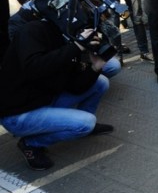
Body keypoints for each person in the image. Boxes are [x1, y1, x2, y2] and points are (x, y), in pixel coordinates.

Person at [0, 9, 114, 170]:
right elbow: (34, 68)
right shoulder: (32, 30)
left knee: (100, 82)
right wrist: (76, 46)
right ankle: (30, 144)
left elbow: (76, 87)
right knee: (85, 123)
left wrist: (95, 67)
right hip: (18, 112)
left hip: (45, 98)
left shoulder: (70, 42)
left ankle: (82, 125)